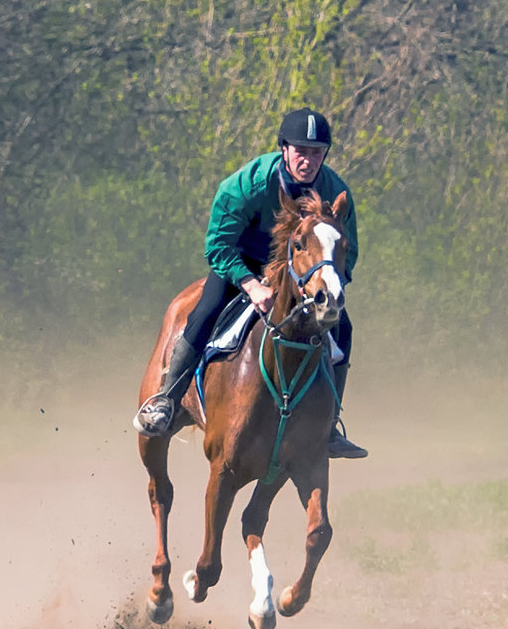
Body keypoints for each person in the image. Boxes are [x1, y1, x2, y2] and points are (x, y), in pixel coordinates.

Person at [133, 107, 367, 459]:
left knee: (342, 327)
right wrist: (252, 284)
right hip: (240, 264)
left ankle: (329, 425)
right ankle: (167, 398)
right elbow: (218, 244)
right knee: (204, 313)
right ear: (284, 150)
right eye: (301, 151)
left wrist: (325, 285)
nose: (309, 160)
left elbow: (346, 254)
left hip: (297, 274)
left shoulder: (336, 191)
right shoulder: (247, 184)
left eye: (317, 152)